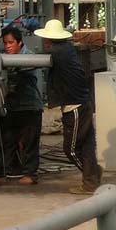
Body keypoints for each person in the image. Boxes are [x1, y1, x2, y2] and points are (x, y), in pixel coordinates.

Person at [34, 19, 102, 194]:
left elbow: (37, 59)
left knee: (70, 149)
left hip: (75, 107)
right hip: (82, 104)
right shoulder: (67, 49)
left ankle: (92, 178)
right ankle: (91, 179)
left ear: (48, 39)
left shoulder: (57, 53)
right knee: (86, 146)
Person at [0, 25, 43, 185]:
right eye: (5, 43)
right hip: (13, 106)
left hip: (30, 106)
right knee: (8, 140)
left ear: (19, 42)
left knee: (30, 141)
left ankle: (30, 174)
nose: (8, 46)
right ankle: (6, 171)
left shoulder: (28, 57)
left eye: (11, 43)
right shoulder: (5, 56)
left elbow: (25, 70)